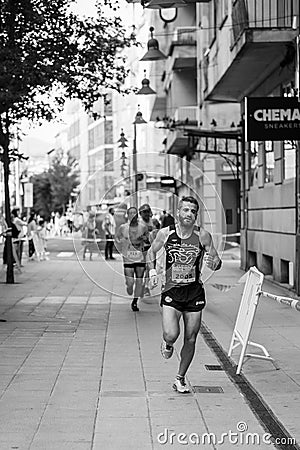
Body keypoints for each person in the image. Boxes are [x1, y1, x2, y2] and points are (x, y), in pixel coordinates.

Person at [147, 196, 222, 394]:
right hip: (172, 290)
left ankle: (180, 378)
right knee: (172, 333)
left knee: (191, 337)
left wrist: (215, 263)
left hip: (194, 291)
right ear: (178, 212)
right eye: (186, 210)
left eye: (193, 211)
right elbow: (150, 253)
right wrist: (153, 272)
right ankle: (168, 342)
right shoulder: (166, 233)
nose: (189, 214)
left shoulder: (203, 236)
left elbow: (216, 259)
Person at [115, 207, 149, 311]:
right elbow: (116, 238)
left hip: (140, 258)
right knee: (130, 282)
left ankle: (135, 301)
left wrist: (145, 240)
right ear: (128, 215)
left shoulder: (143, 227)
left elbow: (148, 240)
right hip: (128, 258)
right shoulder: (123, 228)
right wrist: (121, 244)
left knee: (139, 281)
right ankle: (129, 287)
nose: (133, 215)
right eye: (131, 213)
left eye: (135, 213)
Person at [138, 204, 154, 296]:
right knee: (141, 269)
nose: (146, 214)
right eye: (144, 212)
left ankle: (146, 287)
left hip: (150, 248)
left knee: (149, 268)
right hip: (141, 249)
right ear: (140, 213)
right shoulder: (139, 223)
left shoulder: (152, 221)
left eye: (147, 211)